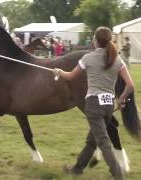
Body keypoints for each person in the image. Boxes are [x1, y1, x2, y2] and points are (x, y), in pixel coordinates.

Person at [53, 27, 134, 180]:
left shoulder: (88, 58)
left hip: (94, 104)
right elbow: (130, 85)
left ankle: (118, 175)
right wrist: (121, 98)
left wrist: (59, 72)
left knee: (103, 141)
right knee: (92, 140)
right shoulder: (117, 59)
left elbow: (70, 77)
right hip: (108, 105)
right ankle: (77, 168)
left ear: (95, 41)